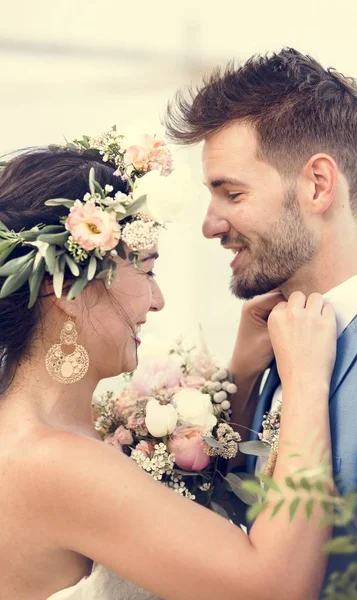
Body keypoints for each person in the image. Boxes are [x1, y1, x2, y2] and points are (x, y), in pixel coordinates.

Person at [0, 135, 337, 600]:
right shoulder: (54, 461)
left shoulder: (44, 435)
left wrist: (239, 374)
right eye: (147, 270)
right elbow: (274, 588)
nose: (158, 301)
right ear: (68, 292)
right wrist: (307, 384)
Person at [165, 46, 357, 591]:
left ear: (317, 185)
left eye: (231, 193)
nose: (211, 225)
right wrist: (238, 378)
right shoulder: (282, 338)